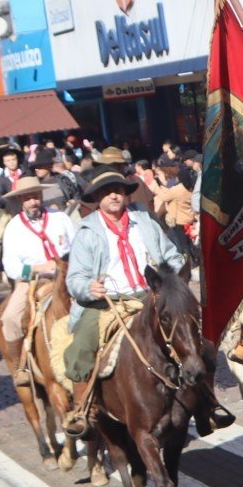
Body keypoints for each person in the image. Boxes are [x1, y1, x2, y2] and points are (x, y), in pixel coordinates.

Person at [59, 169, 187, 437]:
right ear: (97, 199)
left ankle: (204, 401)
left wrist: (171, 277)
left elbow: (171, 255)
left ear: (126, 194)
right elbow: (75, 279)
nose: (113, 196)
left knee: (189, 332)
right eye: (106, 192)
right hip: (108, 301)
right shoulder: (87, 231)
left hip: (149, 295)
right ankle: (83, 408)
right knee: (82, 343)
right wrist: (88, 287)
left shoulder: (145, 222)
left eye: (118, 190)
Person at [0, 177, 72, 346]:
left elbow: (77, 247)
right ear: (20, 200)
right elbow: (11, 267)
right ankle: (20, 368)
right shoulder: (14, 228)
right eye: (27, 198)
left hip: (69, 277)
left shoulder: (60, 218)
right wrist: (38, 268)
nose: (33, 202)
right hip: (33, 281)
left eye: (36, 197)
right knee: (10, 319)